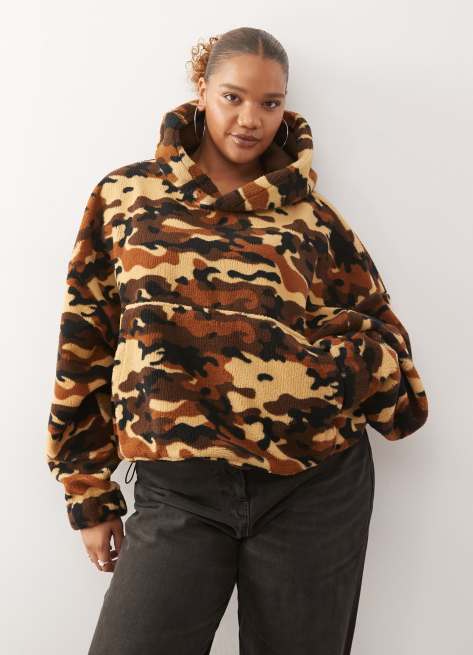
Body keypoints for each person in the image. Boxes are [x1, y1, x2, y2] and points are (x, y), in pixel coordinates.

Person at [45, 26, 429, 654]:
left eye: (270, 103)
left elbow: (385, 341)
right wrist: (88, 492)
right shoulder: (126, 198)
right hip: (180, 486)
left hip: (312, 485)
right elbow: (85, 343)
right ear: (202, 91)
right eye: (233, 97)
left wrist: (313, 382)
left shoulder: (312, 220)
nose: (251, 119)